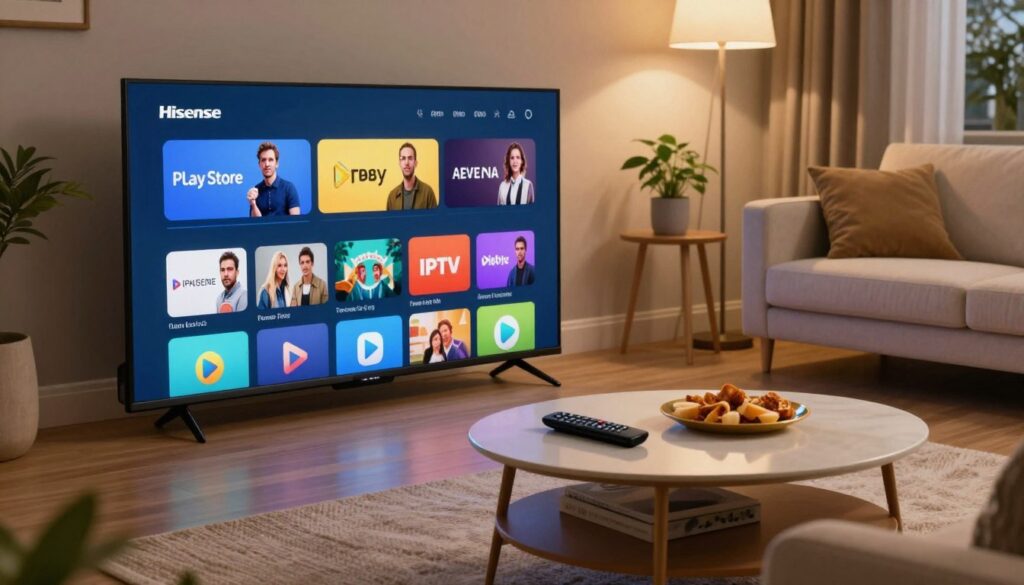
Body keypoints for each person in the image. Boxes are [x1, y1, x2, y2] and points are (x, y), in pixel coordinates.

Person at [246, 142, 301, 217]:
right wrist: (253, 204)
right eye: (263, 160)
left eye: (271, 160)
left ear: (277, 164)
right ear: (259, 164)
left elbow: (296, 222)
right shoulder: (255, 191)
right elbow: (256, 224)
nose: (267, 164)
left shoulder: (289, 188)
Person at [386, 143, 438, 210]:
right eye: (403, 158)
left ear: (415, 163)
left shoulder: (428, 192)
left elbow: (435, 220)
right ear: (400, 163)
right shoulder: (392, 196)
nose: (406, 162)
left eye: (410, 158)